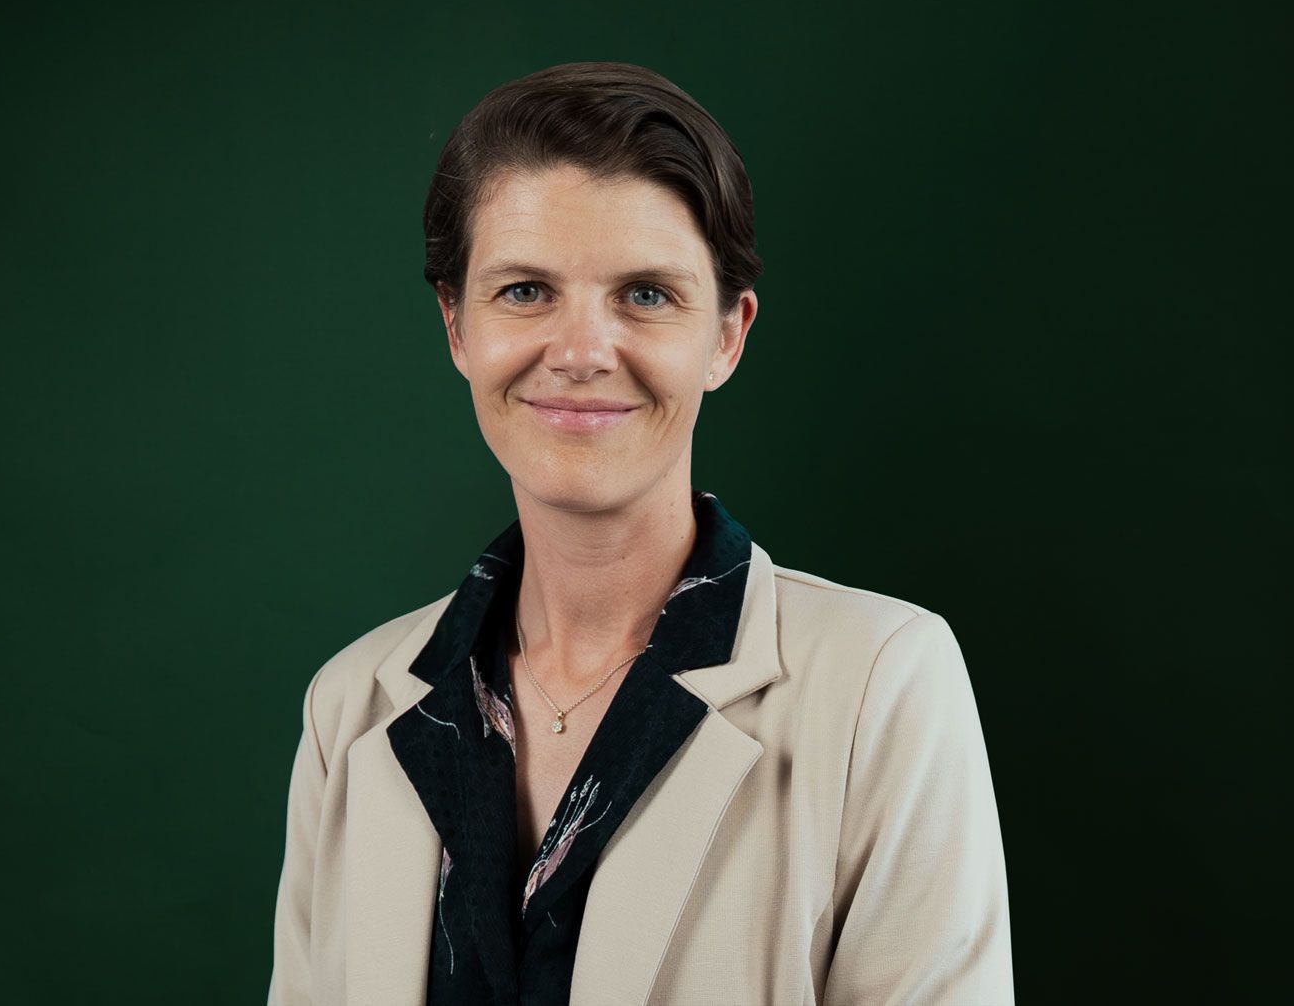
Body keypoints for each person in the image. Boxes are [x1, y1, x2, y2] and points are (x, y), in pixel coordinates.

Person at [268, 61, 1013, 1005]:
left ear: (728, 336)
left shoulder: (884, 685)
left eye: (647, 294)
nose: (580, 352)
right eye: (526, 290)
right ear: (456, 325)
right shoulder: (348, 713)